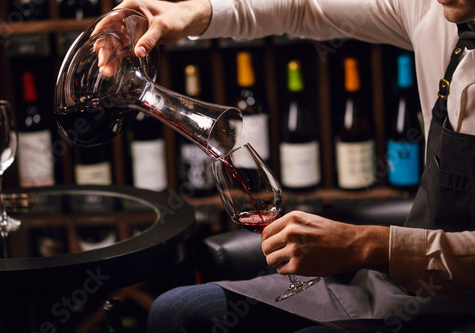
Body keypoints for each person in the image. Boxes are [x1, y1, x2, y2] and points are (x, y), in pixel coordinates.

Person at [101, 0, 475, 331]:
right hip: (396, 285)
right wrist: (192, 14)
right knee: (177, 310)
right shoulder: (433, 11)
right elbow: (303, 7)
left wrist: (369, 245)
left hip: (460, 298)